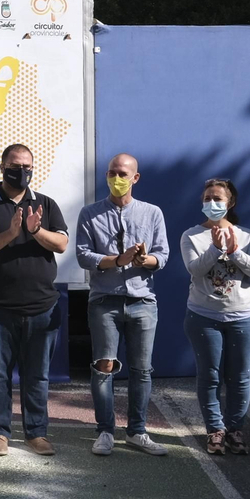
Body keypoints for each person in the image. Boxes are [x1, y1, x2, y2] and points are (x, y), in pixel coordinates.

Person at [0, 144, 69, 458]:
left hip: (41, 307)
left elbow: (62, 243)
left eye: (26, 166)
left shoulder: (46, 204)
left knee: (37, 375)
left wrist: (35, 231)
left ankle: (37, 433)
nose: (21, 171)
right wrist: (10, 234)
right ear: (2, 167)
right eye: (14, 165)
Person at [76, 153, 170, 456]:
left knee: (142, 370)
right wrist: (118, 260)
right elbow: (82, 255)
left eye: (123, 174)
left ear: (135, 178)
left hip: (143, 300)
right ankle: (104, 430)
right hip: (104, 300)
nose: (117, 179)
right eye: (112, 173)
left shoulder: (152, 212)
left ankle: (137, 431)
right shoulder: (89, 213)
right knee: (104, 367)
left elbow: (163, 255)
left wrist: (145, 259)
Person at [181, 178, 250, 455]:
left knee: (240, 377)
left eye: (217, 199)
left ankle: (235, 429)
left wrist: (234, 251)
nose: (211, 204)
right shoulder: (191, 235)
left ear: (230, 203)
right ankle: (215, 430)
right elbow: (195, 269)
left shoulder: (247, 235)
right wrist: (216, 249)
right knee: (210, 376)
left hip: (243, 317)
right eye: (207, 199)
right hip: (204, 317)